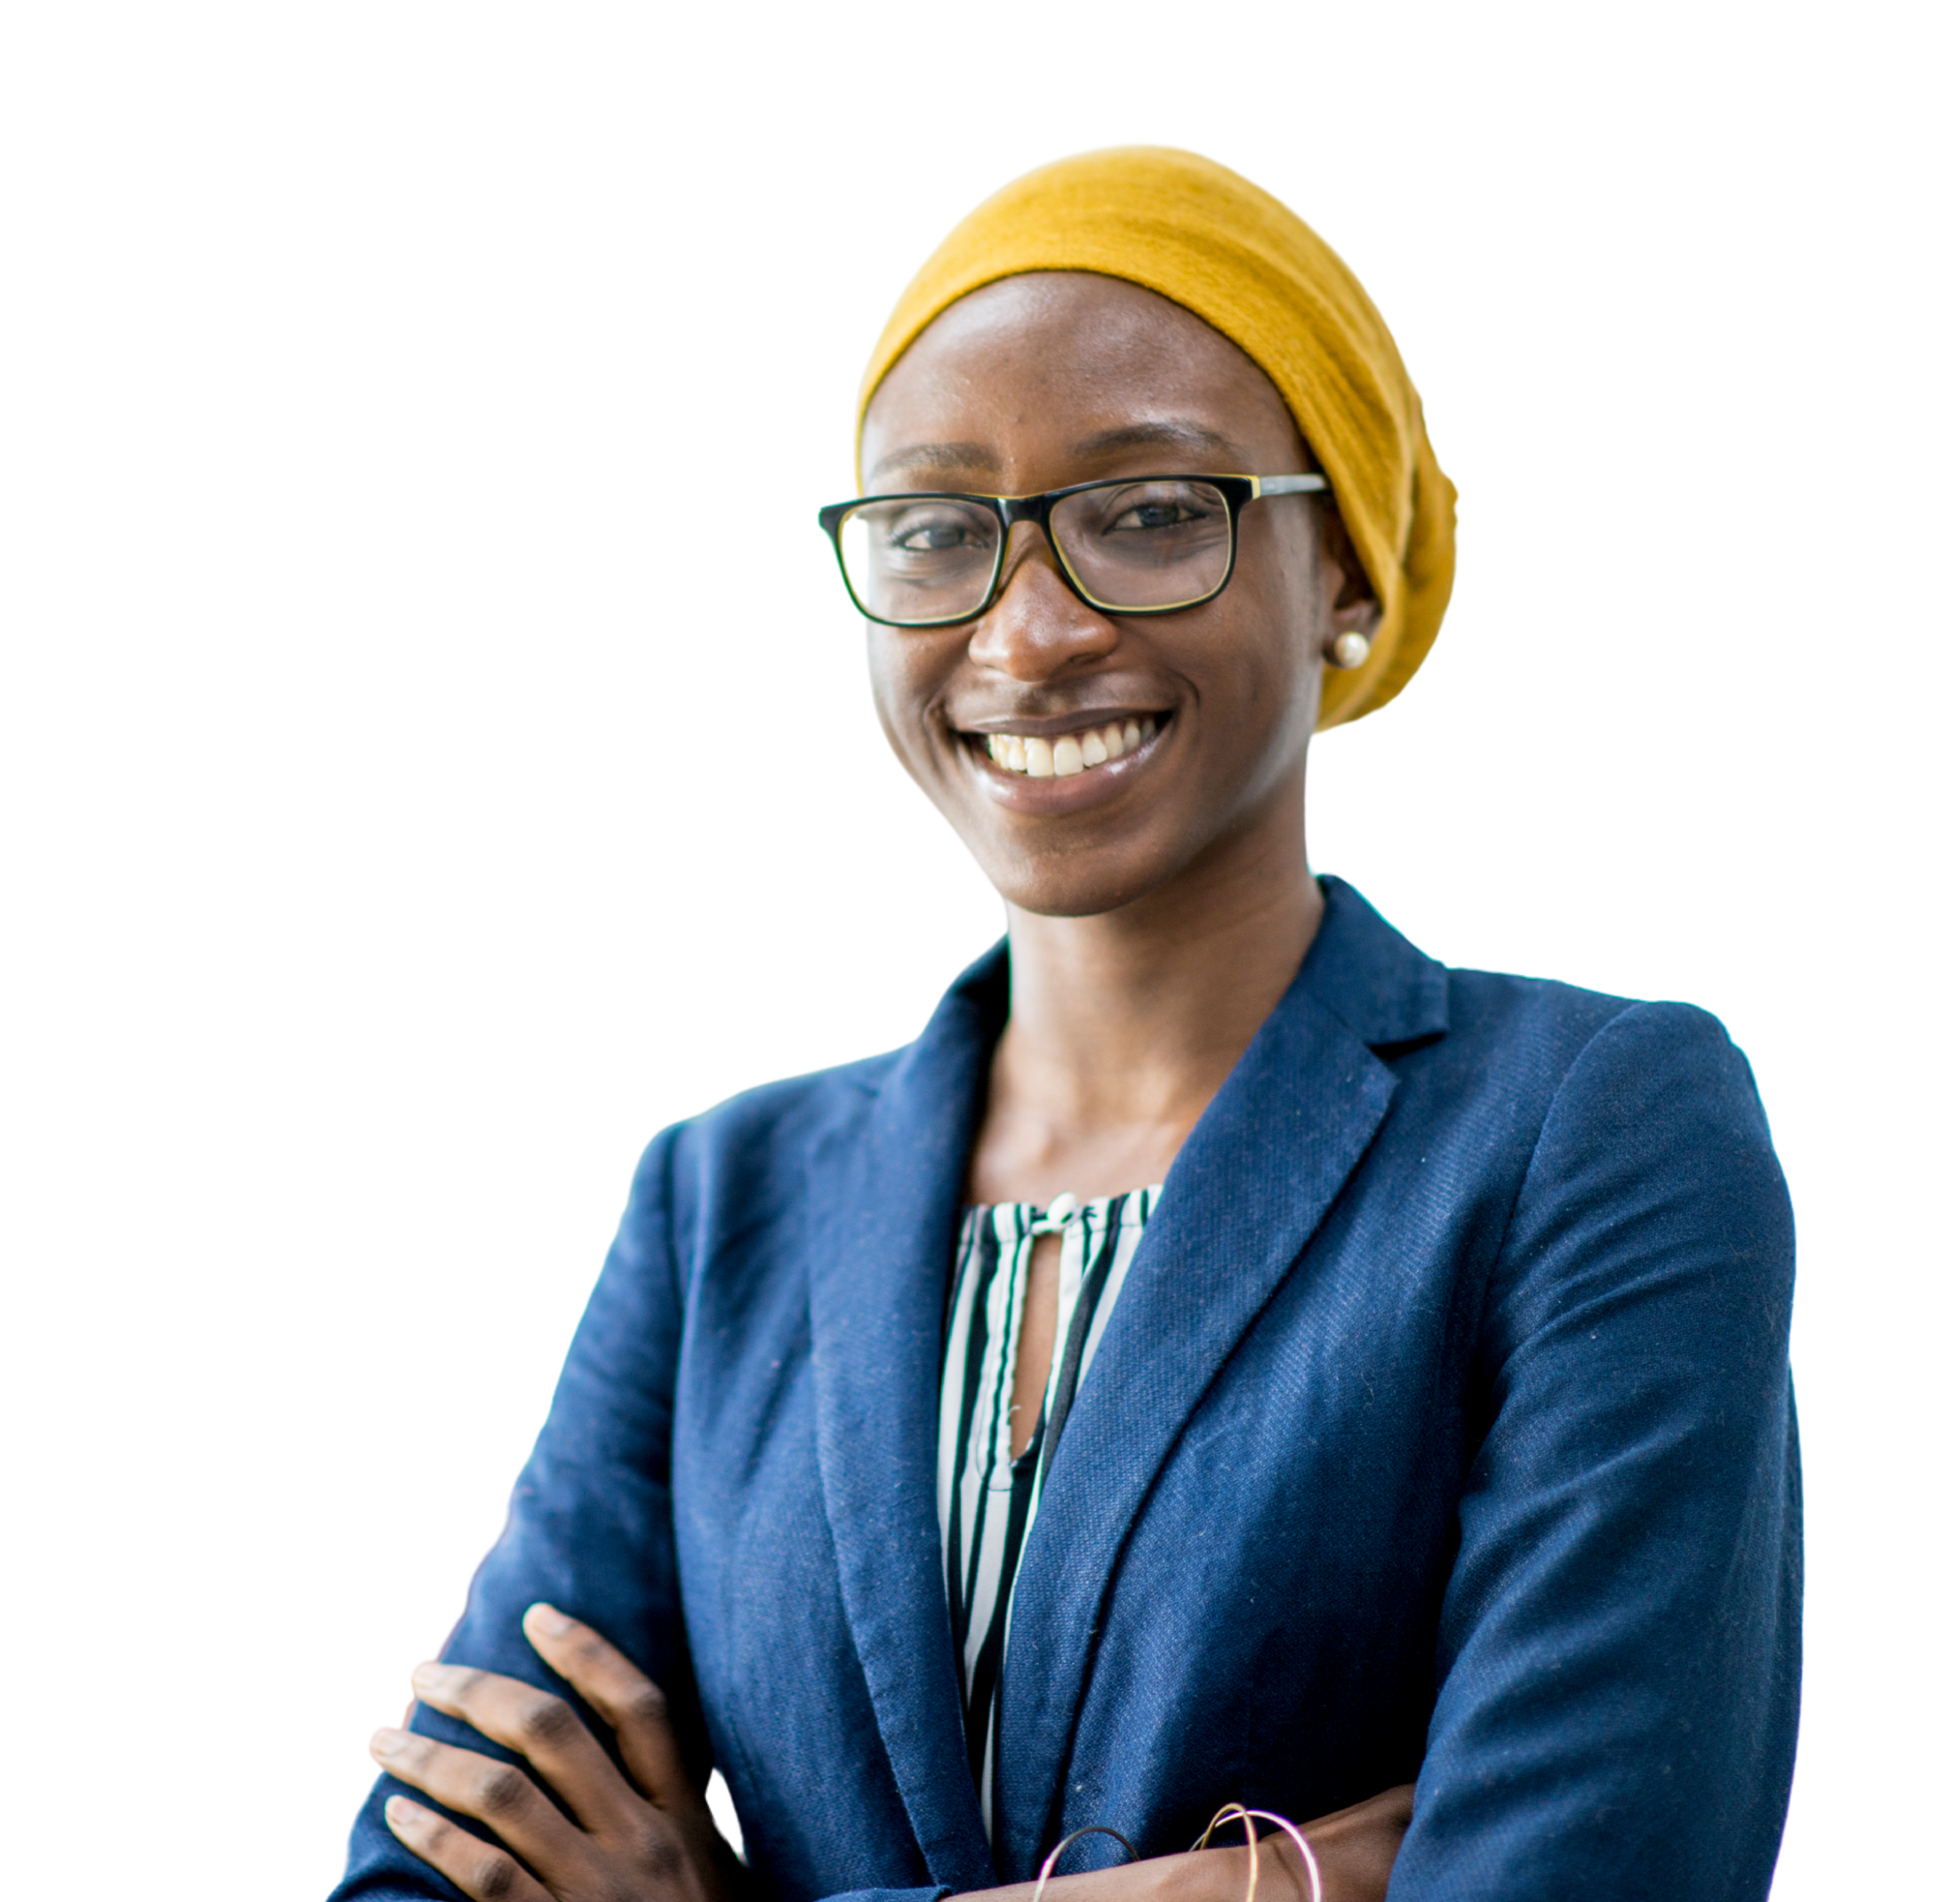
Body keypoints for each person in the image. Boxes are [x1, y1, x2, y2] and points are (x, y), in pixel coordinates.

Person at [332, 142, 1802, 1901]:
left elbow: (1587, 1877)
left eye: (1155, 513)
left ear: (1343, 568)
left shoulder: (1595, 1120)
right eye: (939, 531)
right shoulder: (718, 1196)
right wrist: (1272, 1881)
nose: (1027, 635)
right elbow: (422, 1872)